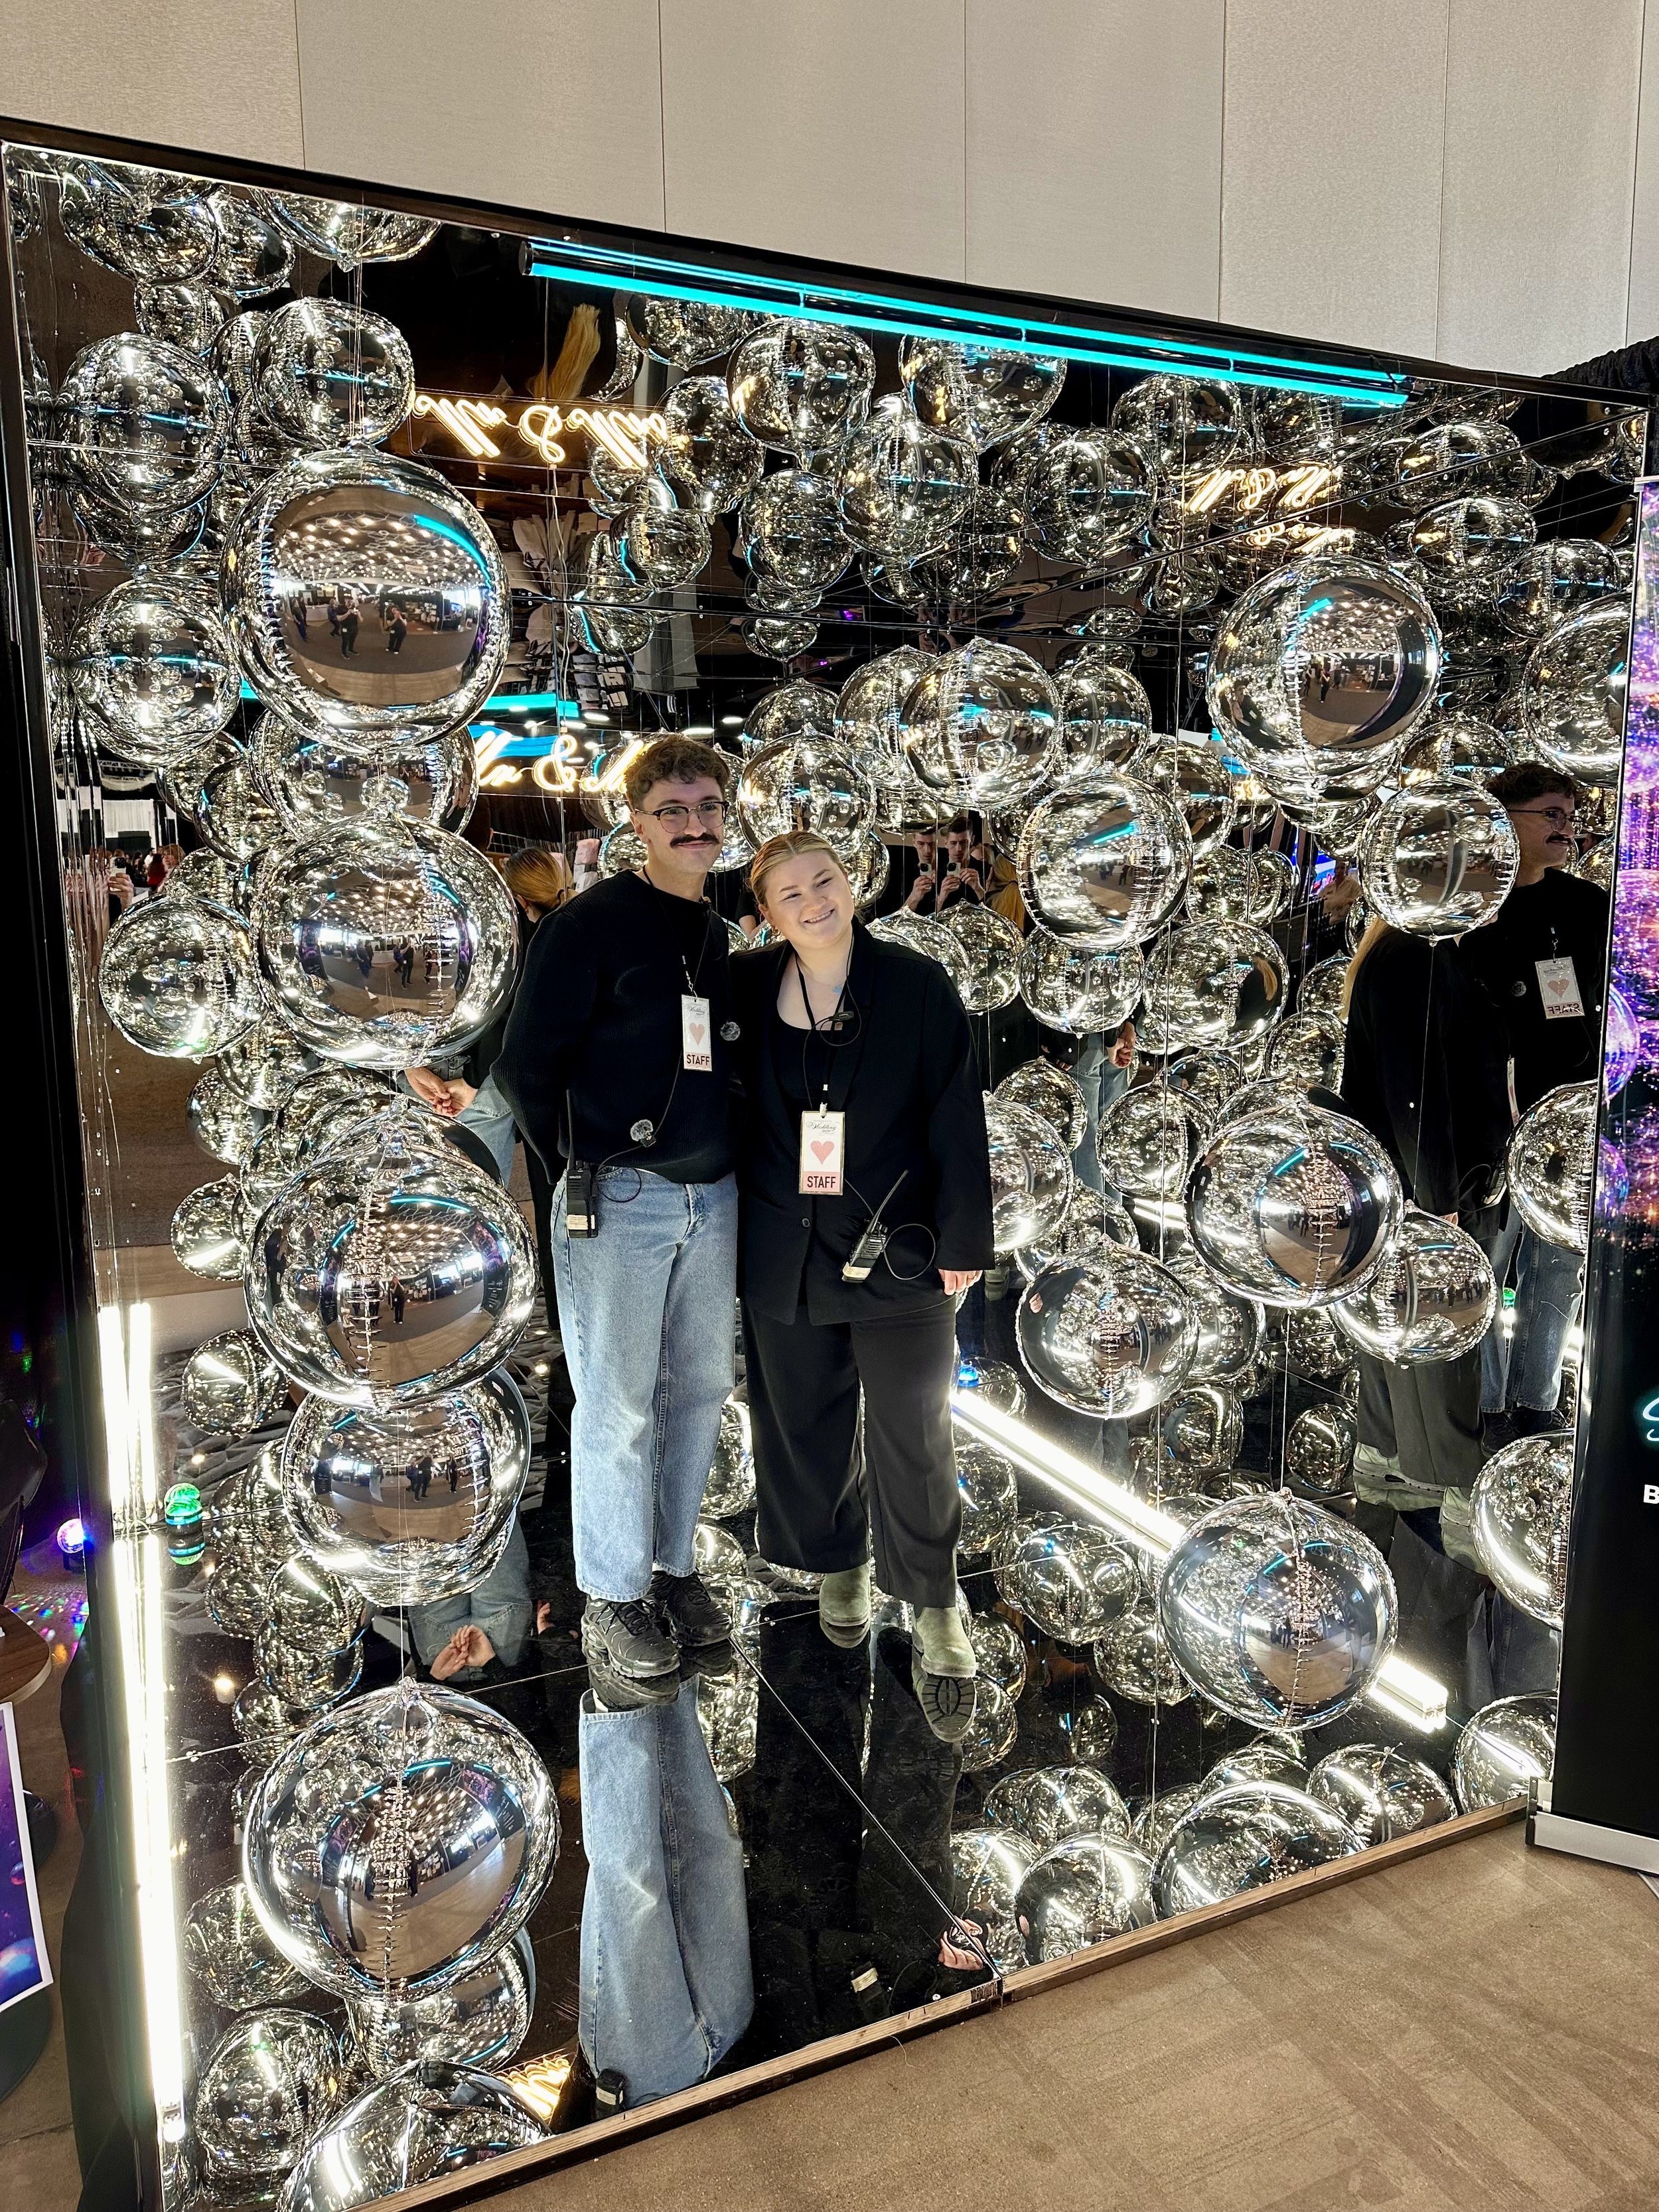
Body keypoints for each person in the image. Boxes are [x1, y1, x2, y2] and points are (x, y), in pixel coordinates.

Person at [729, 832, 994, 1738]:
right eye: (790, 892)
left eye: (826, 881)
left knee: (914, 1431)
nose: (813, 901)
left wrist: (966, 1237)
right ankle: (837, 1557)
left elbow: (957, 1111)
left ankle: (934, 1602)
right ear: (766, 910)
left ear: (854, 885)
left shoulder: (916, 986)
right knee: (800, 1418)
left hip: (901, 1244)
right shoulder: (743, 988)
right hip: (783, 1244)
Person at [496, 739, 739, 1683]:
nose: (693, 823)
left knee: (699, 1392)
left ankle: (671, 1568)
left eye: (707, 805)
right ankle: (613, 1591)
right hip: (622, 1196)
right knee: (617, 1406)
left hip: (711, 1198)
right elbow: (526, 1064)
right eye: (672, 809)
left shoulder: (716, 930)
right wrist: (583, 1166)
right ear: (637, 822)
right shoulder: (589, 925)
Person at [1340, 917, 1512, 1553]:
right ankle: (1457, 1493)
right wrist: (1441, 1202)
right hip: (1427, 1186)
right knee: (1444, 1330)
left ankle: (1386, 1459)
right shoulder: (1417, 957)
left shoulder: (1401, 953)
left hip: (1400, 1179)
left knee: (1394, 1321)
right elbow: (1417, 1093)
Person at [1465, 762, 1610, 1443]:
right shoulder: (1466, 907)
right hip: (1490, 1122)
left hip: (1569, 1117)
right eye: (1551, 814)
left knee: (1557, 1271)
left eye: (1569, 814)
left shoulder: (1586, 907)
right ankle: (1487, 1405)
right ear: (1508, 820)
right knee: (1487, 1269)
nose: (1566, 827)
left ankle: (1536, 1404)